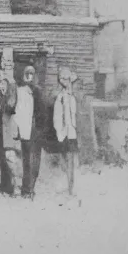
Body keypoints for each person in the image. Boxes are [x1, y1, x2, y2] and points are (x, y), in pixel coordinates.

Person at [7, 65, 49, 199]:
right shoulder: (18, 91)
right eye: (27, 73)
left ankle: (30, 188)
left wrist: (41, 128)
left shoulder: (38, 91)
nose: (29, 76)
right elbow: (12, 109)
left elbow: (43, 111)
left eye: (32, 73)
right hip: (24, 130)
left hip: (36, 130)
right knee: (26, 160)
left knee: (34, 160)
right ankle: (26, 188)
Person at [53, 67, 79, 196]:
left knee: (71, 160)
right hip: (63, 134)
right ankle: (67, 186)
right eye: (65, 81)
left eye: (70, 81)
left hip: (72, 133)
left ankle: (71, 188)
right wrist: (59, 132)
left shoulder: (73, 98)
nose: (69, 84)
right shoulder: (60, 98)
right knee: (65, 160)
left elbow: (75, 115)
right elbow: (57, 117)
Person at [0, 77, 16, 196]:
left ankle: (11, 186)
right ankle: (0, 186)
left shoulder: (11, 97)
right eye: (0, 84)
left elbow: (10, 109)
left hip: (8, 133)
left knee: (9, 160)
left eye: (4, 84)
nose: (2, 87)